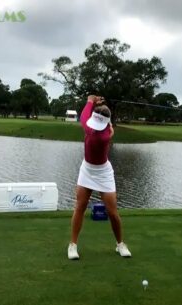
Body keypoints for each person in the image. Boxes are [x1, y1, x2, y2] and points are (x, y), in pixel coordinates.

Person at [67, 95, 132, 260]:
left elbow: (84, 117)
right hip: (87, 169)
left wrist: (90, 101)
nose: (93, 127)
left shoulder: (103, 136)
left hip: (103, 172)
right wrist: (93, 104)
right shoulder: (104, 128)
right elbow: (91, 118)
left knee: (112, 212)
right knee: (79, 206)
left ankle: (120, 244)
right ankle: (72, 245)